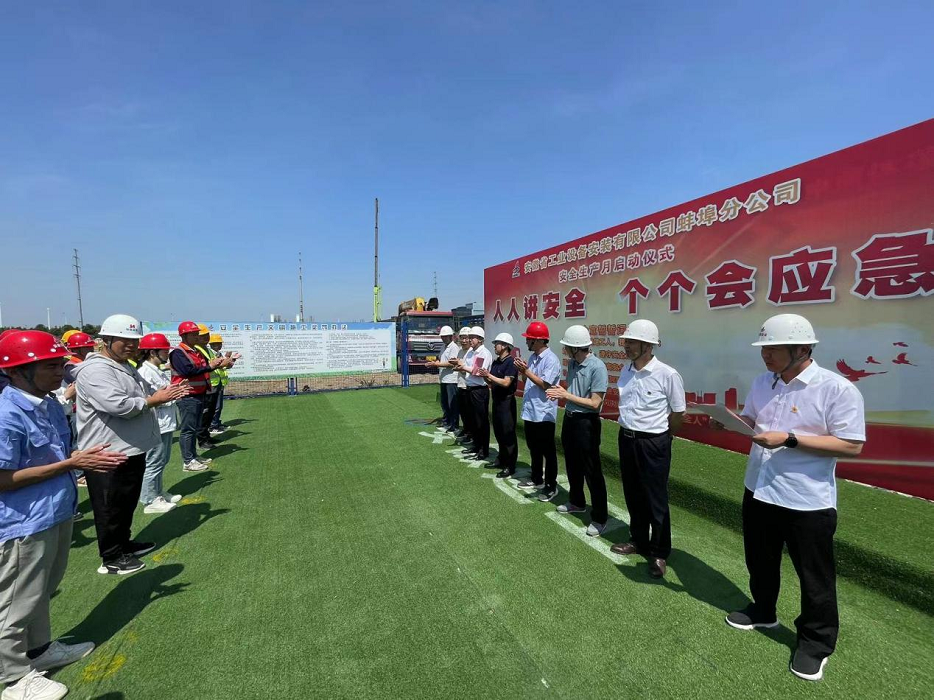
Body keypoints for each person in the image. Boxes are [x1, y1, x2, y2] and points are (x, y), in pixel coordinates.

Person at [718, 313, 865, 682]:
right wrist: (730, 422)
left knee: (814, 577)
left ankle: (816, 643)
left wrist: (790, 438)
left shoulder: (836, 389)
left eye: (773, 349)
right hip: (759, 487)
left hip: (806, 501)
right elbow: (753, 421)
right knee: (760, 559)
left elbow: (851, 445)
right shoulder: (763, 382)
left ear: (801, 349)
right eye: (763, 349)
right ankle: (763, 610)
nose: (765, 355)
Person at [0, 331, 126, 700]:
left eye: (60, 364)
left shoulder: (49, 404)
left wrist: (79, 459)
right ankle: (14, 678)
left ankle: (39, 650)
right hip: (24, 522)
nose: (61, 372)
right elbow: (3, 479)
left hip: (55, 511)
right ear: (18, 372)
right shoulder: (7, 415)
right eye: (51, 366)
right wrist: (71, 464)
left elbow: (58, 453)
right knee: (16, 602)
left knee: (41, 590)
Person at [74, 314, 189, 575]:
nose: (131, 346)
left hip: (127, 447)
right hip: (106, 452)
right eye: (124, 340)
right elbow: (119, 406)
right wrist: (156, 399)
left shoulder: (123, 366)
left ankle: (124, 545)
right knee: (110, 506)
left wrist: (159, 395)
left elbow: (142, 393)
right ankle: (112, 557)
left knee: (125, 503)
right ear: (106, 339)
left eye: (134, 341)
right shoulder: (96, 370)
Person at [610, 320, 685, 579]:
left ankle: (660, 552)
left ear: (648, 345)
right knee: (633, 493)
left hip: (654, 442)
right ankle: (638, 541)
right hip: (627, 438)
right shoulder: (626, 370)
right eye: (626, 342)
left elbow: (678, 412)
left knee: (656, 498)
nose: (627, 346)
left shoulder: (667, 374)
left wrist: (665, 436)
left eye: (632, 342)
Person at [546, 325, 609, 537]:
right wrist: (562, 393)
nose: (564, 350)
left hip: (587, 423)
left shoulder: (597, 367)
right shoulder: (573, 363)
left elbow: (595, 403)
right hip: (571, 419)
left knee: (592, 470)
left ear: (575, 348)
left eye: (567, 346)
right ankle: (577, 502)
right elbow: (572, 393)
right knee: (572, 464)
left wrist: (566, 395)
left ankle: (600, 517)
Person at [169, 321, 229, 472]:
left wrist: (217, 364)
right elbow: (188, 371)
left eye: (197, 334)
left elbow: (203, 367)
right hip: (187, 395)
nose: (197, 336)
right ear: (184, 336)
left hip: (199, 394)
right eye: (194, 334)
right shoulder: (178, 353)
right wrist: (210, 366)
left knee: (194, 428)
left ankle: (193, 456)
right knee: (188, 430)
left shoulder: (195, 351)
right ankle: (188, 461)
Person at [136, 333, 183, 514]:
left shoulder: (157, 370)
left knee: (162, 459)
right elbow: (147, 399)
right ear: (152, 352)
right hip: (156, 422)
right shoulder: (144, 372)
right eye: (164, 350)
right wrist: (169, 396)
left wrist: (175, 390)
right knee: (154, 461)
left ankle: (158, 492)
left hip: (165, 421)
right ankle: (149, 499)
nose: (167, 354)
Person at [514, 322, 561, 501]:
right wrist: (523, 371)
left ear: (539, 340)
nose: (527, 342)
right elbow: (528, 379)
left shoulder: (551, 360)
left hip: (544, 412)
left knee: (548, 451)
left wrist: (526, 371)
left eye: (530, 339)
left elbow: (546, 385)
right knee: (533, 447)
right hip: (531, 410)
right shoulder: (533, 357)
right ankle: (536, 478)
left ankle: (551, 485)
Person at [479, 333, 518, 478]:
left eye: (498, 343)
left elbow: (506, 382)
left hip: (507, 402)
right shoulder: (496, 362)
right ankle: (502, 459)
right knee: (499, 432)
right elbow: (492, 382)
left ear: (506, 346)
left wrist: (490, 376)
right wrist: (485, 376)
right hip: (497, 401)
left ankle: (510, 465)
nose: (495, 346)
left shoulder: (511, 362)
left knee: (508, 434)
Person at [452, 327, 493, 460]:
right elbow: (467, 368)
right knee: (473, 420)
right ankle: (476, 445)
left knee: (481, 421)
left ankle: (483, 449)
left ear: (480, 339)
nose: (470, 340)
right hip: (470, 388)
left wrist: (463, 367)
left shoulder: (483, 353)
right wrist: (460, 366)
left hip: (479, 390)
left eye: (473, 337)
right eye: (469, 337)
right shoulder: (470, 352)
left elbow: (478, 371)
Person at [426, 326, 459, 433]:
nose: (443, 338)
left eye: (445, 336)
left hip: (451, 379)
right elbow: (441, 360)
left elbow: (451, 363)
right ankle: (446, 422)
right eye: (442, 336)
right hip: (444, 378)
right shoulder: (443, 347)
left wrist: (436, 364)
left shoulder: (454, 347)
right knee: (444, 403)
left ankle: (454, 424)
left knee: (452, 404)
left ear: (450, 336)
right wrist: (435, 362)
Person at [194, 324, 221, 450]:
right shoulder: (197, 350)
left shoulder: (207, 349)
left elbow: (213, 364)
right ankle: (202, 440)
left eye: (207, 335)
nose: (206, 337)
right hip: (206, 386)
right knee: (204, 415)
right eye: (202, 335)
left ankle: (206, 436)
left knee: (209, 413)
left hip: (212, 384)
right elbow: (206, 367)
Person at [453, 327, 474, 447]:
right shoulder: (460, 351)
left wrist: (460, 367)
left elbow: (471, 370)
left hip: (469, 385)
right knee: (463, 411)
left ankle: (470, 433)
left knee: (470, 413)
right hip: (460, 384)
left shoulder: (472, 352)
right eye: (462, 338)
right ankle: (466, 430)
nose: (464, 341)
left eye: (466, 338)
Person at [208, 333, 230, 434]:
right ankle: (212, 426)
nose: (219, 345)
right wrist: (227, 359)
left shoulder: (219, 354)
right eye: (217, 343)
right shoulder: (209, 353)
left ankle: (217, 423)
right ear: (212, 344)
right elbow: (215, 366)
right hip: (213, 383)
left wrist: (230, 360)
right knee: (214, 406)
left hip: (219, 382)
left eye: (220, 343)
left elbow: (225, 367)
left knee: (219, 405)